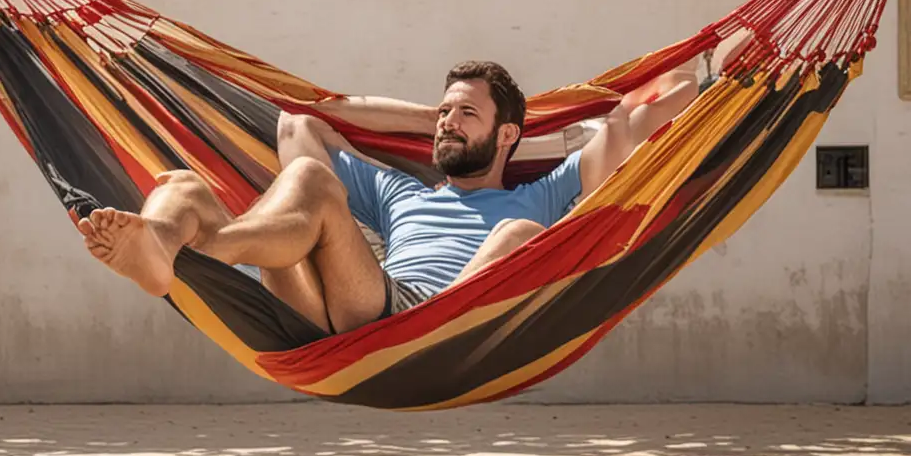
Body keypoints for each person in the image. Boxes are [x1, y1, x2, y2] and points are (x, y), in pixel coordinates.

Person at [75, 55, 705, 335]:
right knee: (184, 185)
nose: (446, 124)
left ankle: (205, 246)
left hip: (428, 322)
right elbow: (301, 124)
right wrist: (433, 114)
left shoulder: (543, 196)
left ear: (508, 134)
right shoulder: (397, 188)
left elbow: (627, 123)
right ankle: (162, 245)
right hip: (346, 303)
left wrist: (713, 71)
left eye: (467, 116)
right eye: (443, 113)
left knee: (516, 239)